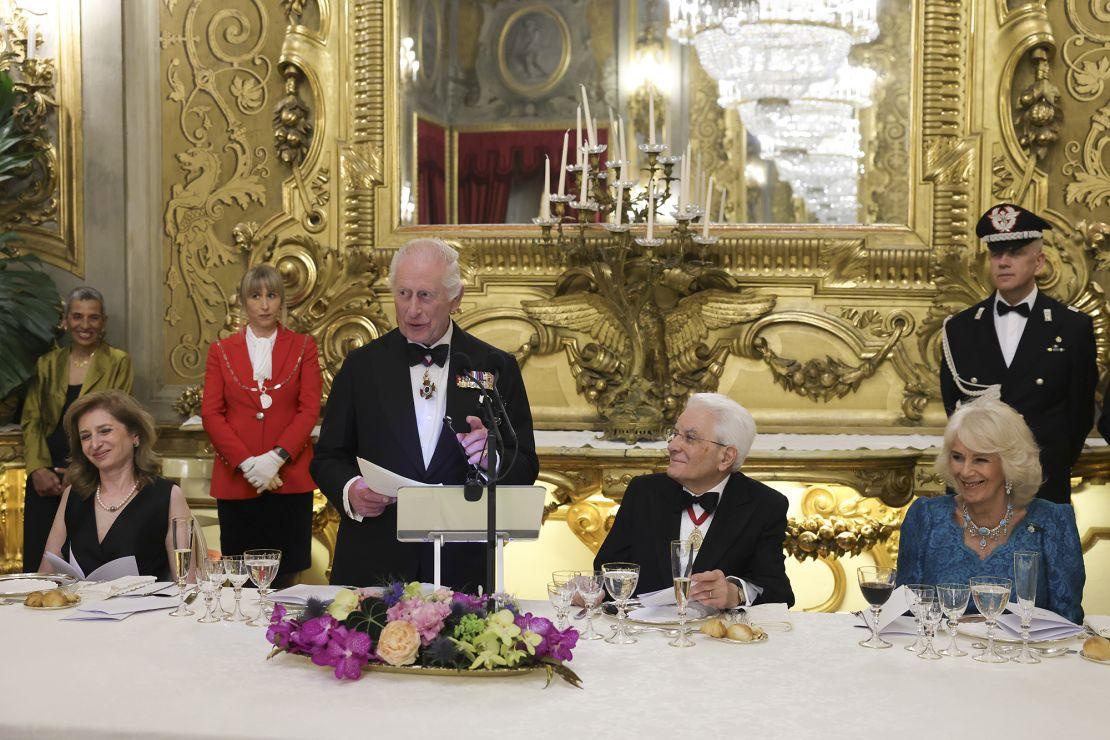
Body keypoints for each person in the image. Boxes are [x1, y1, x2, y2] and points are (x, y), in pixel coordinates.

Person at [311, 237, 539, 590]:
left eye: (425, 295)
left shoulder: (494, 366)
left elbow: (524, 464)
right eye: (403, 294)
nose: (411, 309)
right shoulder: (361, 366)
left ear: (455, 298)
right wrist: (351, 489)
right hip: (374, 559)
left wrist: (492, 459)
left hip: (461, 566)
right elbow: (327, 457)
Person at [940, 203, 1096, 504]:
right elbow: (954, 410)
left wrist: (1051, 462)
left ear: (1039, 262)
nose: (1003, 262)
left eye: (1015, 253)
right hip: (974, 488)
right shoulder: (959, 328)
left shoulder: (1072, 327)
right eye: (996, 254)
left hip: (1043, 483)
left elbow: (1080, 415)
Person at [594, 393, 795, 608]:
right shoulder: (643, 492)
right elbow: (607, 569)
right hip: (643, 627)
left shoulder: (764, 505)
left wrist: (736, 593)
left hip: (714, 629)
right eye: (675, 434)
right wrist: (591, 590)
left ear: (726, 457)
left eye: (689, 438)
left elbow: (778, 592)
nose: (672, 446)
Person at [897, 397, 1085, 623]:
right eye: (957, 457)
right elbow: (904, 616)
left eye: (980, 460)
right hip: (943, 645)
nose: (965, 471)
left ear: (1009, 464)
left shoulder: (1051, 522)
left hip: (1025, 646)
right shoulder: (926, 517)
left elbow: (1068, 622)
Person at [201, 265, 322, 588]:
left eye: (272, 295)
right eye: (256, 296)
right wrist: (248, 464)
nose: (265, 304)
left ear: (282, 300)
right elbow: (211, 414)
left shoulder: (304, 346)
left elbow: (309, 409)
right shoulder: (221, 351)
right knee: (241, 577)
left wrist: (275, 458)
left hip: (289, 481)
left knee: (288, 576)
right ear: (244, 302)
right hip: (238, 482)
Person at [20, 286, 133, 572]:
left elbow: (118, 419)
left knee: (84, 560)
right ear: (66, 320)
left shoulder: (118, 361)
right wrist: (38, 469)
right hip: (45, 477)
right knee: (39, 558)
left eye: (93, 317)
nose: (85, 325)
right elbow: (31, 420)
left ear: (103, 322)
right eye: (77, 316)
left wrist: (80, 467)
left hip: (93, 470)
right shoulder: (47, 364)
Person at [39, 391, 191, 579]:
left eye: (105, 431)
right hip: (78, 599)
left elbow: (187, 583)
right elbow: (45, 576)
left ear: (135, 435)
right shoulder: (73, 495)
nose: (95, 444)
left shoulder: (167, 496)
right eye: (85, 436)